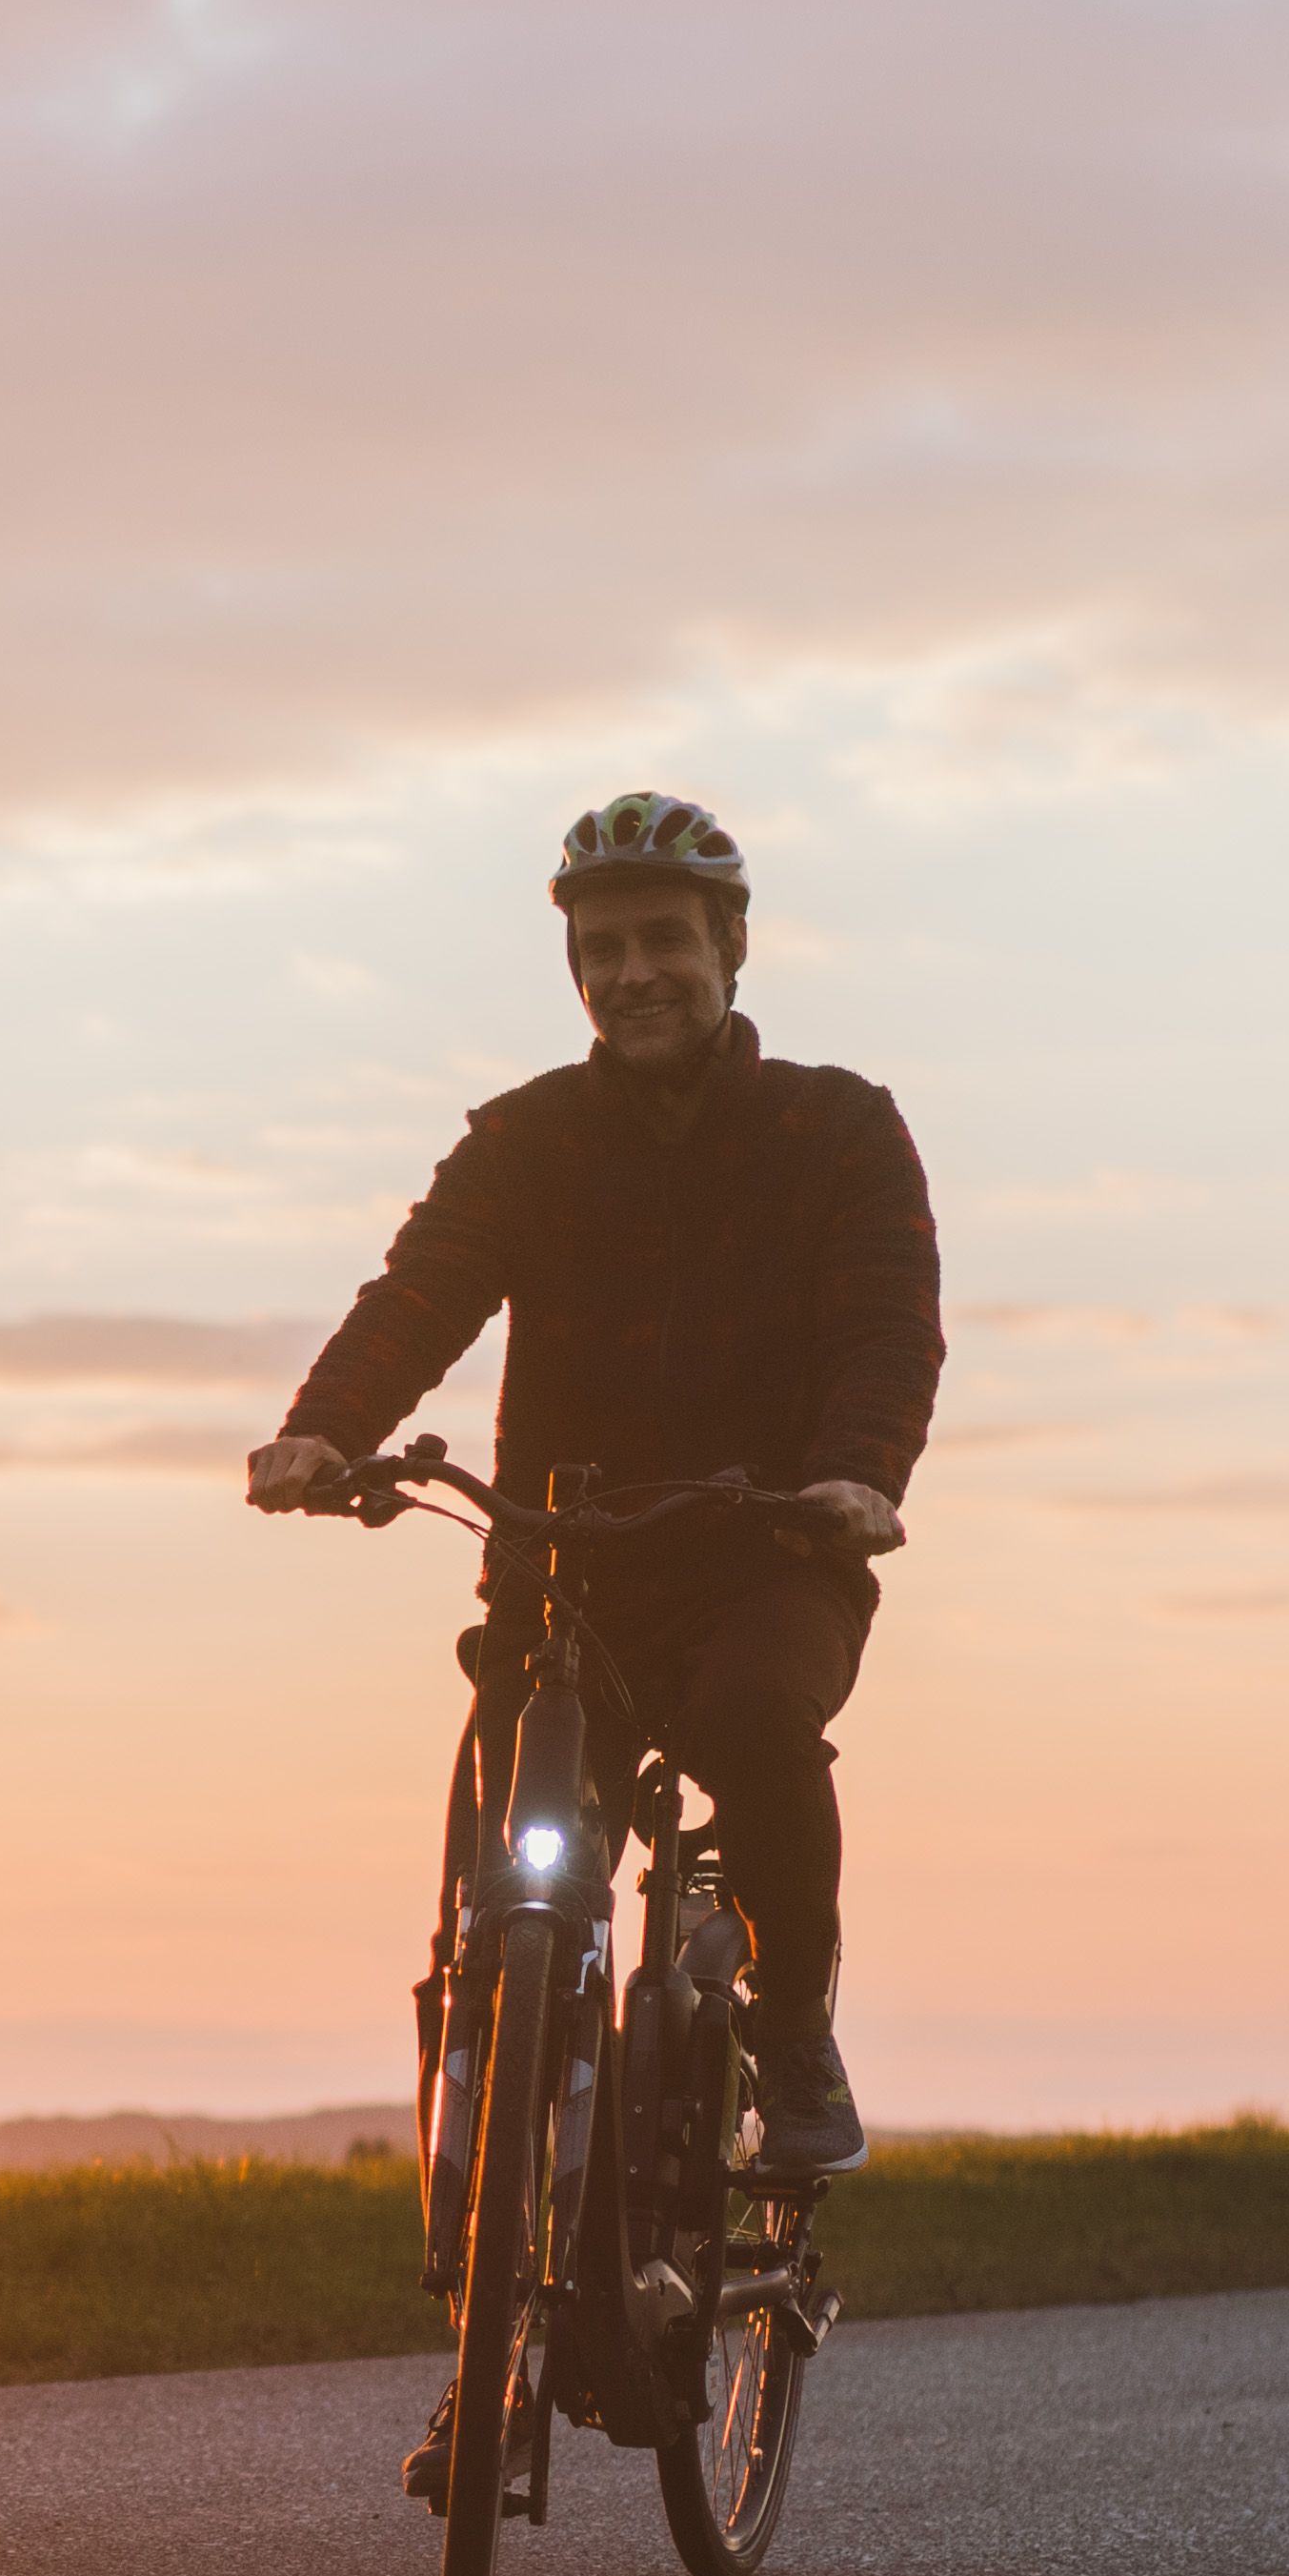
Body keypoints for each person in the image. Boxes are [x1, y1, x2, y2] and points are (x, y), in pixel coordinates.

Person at [244, 789, 944, 2180]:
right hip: (567, 1569)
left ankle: (794, 2023)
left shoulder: (840, 1131)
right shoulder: (526, 1141)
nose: (634, 976)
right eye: (602, 950)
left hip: (772, 1555)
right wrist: (324, 1430)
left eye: (665, 942)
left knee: (755, 1720)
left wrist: (856, 1479)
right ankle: (504, 2144)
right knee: (519, 1862)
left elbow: (887, 1330)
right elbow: (418, 1295)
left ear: (732, 945)